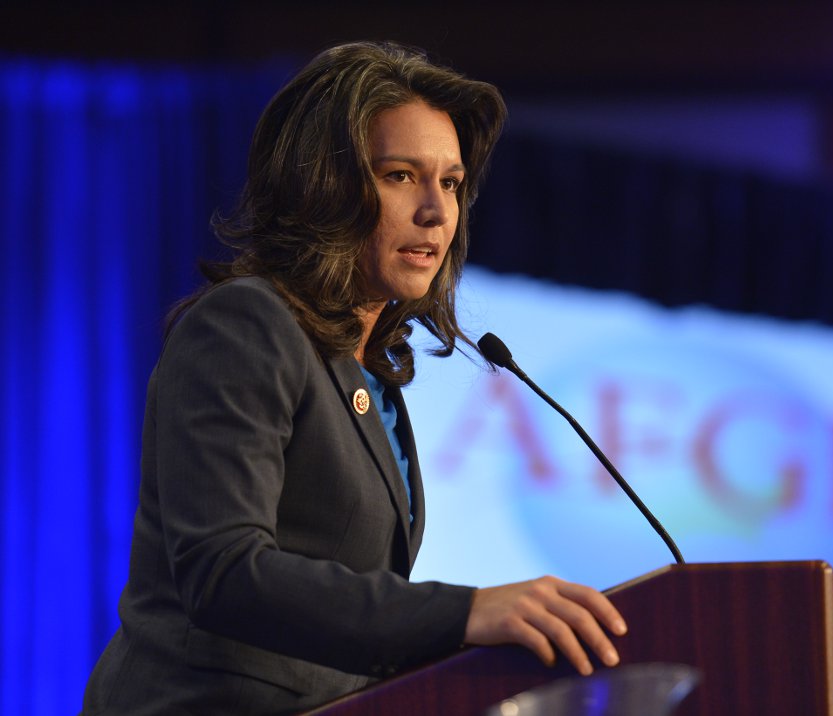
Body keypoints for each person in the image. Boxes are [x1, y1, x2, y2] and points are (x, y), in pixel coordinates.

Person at [82, 41, 626, 715]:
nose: (436, 212)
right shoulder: (244, 324)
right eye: (401, 175)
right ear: (323, 184)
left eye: (450, 183)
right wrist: (463, 614)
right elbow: (224, 573)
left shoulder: (366, 367)